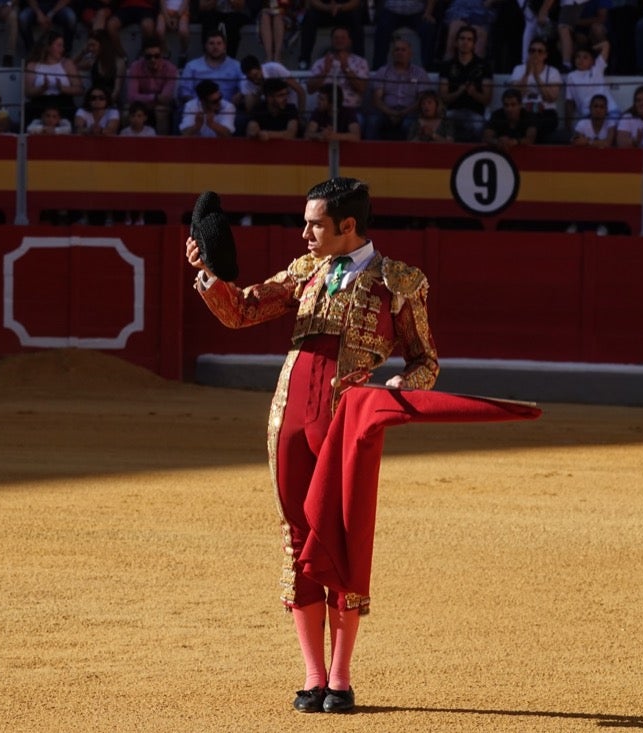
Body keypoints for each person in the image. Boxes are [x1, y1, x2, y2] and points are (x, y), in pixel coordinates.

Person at [185, 176, 439, 715]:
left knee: (342, 542)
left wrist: (399, 389)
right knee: (298, 542)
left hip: (348, 422)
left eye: (315, 224)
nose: (304, 233)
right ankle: (312, 675)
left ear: (348, 226)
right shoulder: (305, 271)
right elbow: (243, 311)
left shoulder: (400, 282)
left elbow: (425, 361)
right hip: (289, 419)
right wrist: (208, 277)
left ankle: (342, 680)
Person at [365, 35, 431, 140]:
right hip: (386, 112)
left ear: (410, 54)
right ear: (392, 54)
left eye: (403, 50)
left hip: (410, 112)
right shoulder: (383, 72)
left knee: (409, 125)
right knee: (373, 121)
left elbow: (422, 100)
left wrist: (402, 113)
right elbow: (376, 100)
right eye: (397, 50)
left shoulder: (420, 73)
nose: (399, 52)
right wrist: (392, 113)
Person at [438, 24, 493, 142]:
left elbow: (487, 99)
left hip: (476, 114)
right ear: (456, 42)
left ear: (474, 44)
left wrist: (474, 93)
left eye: (469, 39)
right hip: (452, 112)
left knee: (479, 128)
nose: (465, 42)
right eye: (462, 38)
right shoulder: (446, 66)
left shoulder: (484, 66)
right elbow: (443, 97)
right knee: (444, 128)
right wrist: (459, 92)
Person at [304, 26, 370, 116]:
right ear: (331, 40)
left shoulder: (360, 62)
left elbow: (362, 88)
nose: (339, 40)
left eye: (343, 38)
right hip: (325, 111)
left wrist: (345, 68)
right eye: (336, 38)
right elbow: (310, 89)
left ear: (349, 41)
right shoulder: (321, 62)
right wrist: (324, 72)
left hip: (350, 111)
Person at [509, 39, 563, 141]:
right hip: (523, 112)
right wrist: (526, 74)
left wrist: (537, 77)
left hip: (545, 113)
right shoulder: (518, 69)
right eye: (532, 51)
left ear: (545, 55)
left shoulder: (553, 71)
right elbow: (515, 96)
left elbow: (551, 98)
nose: (536, 54)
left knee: (535, 124)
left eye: (540, 51)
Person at [25, 31, 83, 123]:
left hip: (63, 101)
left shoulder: (67, 64)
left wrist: (62, 88)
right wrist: (42, 88)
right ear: (48, 47)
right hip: (40, 102)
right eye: (59, 45)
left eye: (62, 46)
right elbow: (27, 92)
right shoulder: (32, 65)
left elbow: (79, 89)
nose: (62, 49)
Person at [564, 40, 620, 134]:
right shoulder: (571, 76)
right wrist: (568, 124)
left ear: (592, 61)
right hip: (588, 115)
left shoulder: (597, 68)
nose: (580, 60)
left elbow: (605, 44)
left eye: (585, 57)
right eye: (578, 57)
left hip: (610, 111)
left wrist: (590, 49)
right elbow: (569, 102)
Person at [176, 29, 243, 106]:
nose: (215, 47)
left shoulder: (236, 66)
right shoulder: (191, 66)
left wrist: (240, 95)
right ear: (206, 46)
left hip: (227, 110)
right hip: (198, 110)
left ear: (224, 46)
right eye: (211, 43)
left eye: (219, 43)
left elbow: (244, 88)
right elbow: (185, 92)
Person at [126, 37, 179, 134]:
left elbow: (165, 98)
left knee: (161, 111)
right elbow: (131, 97)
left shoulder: (171, 69)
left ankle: (162, 144)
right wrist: (154, 97)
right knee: (126, 111)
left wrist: (143, 98)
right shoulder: (135, 67)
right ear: (143, 56)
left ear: (162, 55)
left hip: (161, 106)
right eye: (148, 56)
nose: (153, 59)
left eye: (156, 56)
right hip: (141, 105)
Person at [297, 0, 367, 70]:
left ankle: (359, 61)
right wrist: (328, 8)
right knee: (309, 17)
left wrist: (340, 7)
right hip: (324, 10)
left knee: (355, 18)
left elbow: (356, 2)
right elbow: (313, 2)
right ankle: (304, 61)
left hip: (345, 10)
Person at [373, 0, 438, 71]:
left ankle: (428, 71)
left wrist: (428, 13)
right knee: (382, 28)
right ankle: (378, 70)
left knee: (428, 29)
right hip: (391, 11)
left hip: (417, 12)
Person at [238, 54, 307, 117]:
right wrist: (259, 91)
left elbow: (300, 91)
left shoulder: (275, 68)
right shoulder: (245, 82)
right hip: (269, 109)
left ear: (260, 68)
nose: (255, 81)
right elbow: (250, 109)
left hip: (289, 102)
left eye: (255, 75)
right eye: (250, 78)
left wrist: (301, 116)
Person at [76, 30, 127, 102]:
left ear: (103, 45)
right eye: (89, 45)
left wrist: (104, 103)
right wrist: (83, 52)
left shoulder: (118, 62)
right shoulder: (93, 61)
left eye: (93, 45)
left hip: (110, 102)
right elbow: (72, 66)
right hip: (94, 100)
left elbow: (116, 90)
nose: (90, 49)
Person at [258, 0, 294, 64]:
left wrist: (279, 9)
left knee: (278, 16)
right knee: (264, 16)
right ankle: (269, 56)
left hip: (286, 13)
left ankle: (277, 56)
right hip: (267, 11)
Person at [158, 0, 192, 67]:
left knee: (183, 31)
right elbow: (162, 3)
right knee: (159, 31)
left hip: (182, 12)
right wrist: (167, 18)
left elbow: (185, 2)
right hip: (165, 12)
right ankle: (166, 53)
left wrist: (176, 17)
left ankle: (183, 53)